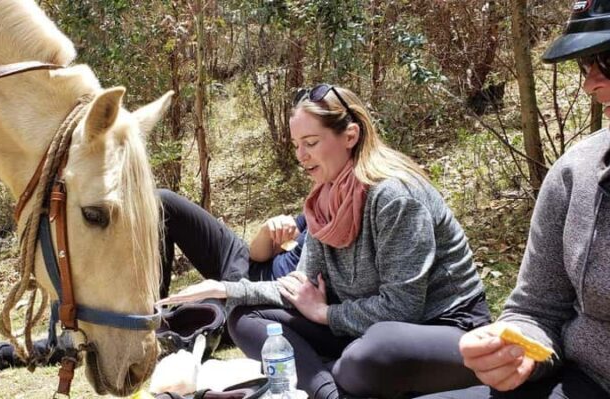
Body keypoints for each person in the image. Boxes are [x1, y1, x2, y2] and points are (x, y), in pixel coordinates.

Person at [157, 84, 491, 399]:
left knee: (368, 356)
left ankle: (332, 377)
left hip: (441, 327)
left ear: (350, 135)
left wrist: (325, 313)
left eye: (311, 143)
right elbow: (298, 286)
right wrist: (226, 290)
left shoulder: (395, 197)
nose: (301, 156)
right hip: (360, 327)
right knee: (245, 318)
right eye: (296, 145)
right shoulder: (324, 200)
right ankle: (330, 392)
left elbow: (402, 309)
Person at [418, 2, 610, 398]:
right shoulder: (576, 172)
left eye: (606, 61)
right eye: (587, 63)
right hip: (583, 380)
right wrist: (518, 348)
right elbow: (537, 308)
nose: (591, 84)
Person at [0, 189, 308, 378]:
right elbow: (260, 254)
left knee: (184, 329)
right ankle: (150, 312)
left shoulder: (362, 216)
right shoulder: (322, 201)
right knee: (161, 204)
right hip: (243, 262)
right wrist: (266, 234)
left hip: (261, 301)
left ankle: (4, 355)